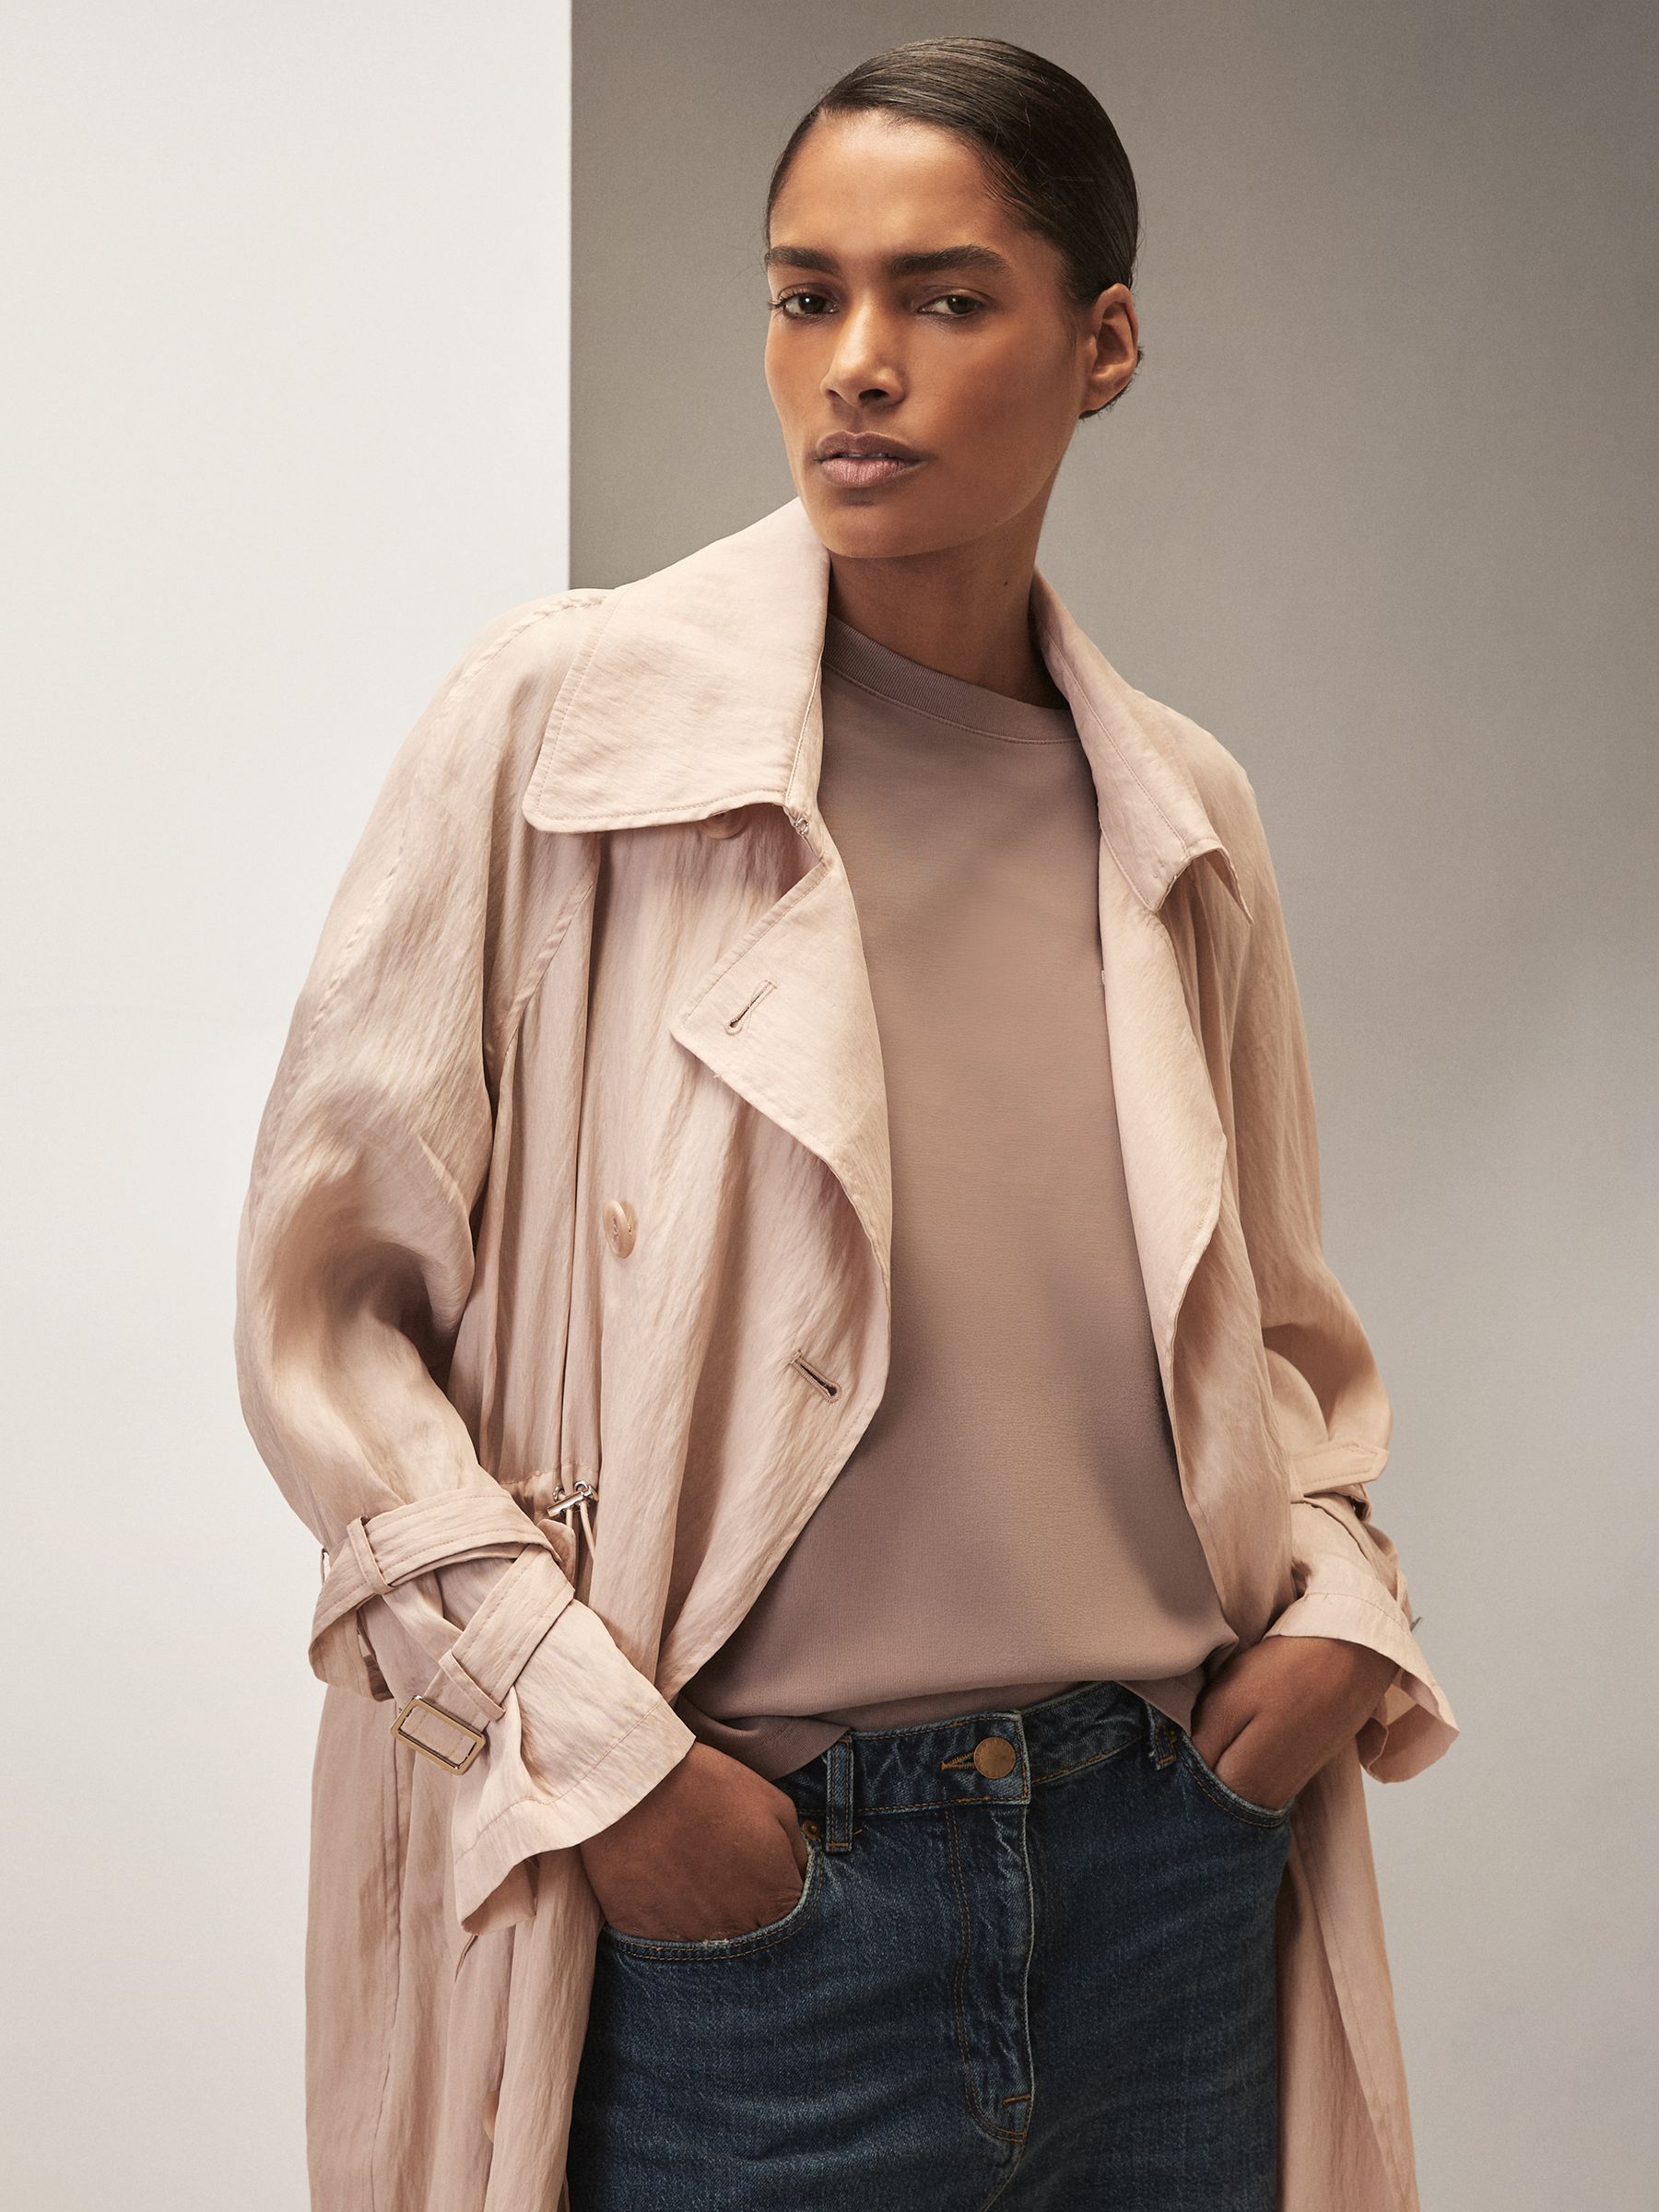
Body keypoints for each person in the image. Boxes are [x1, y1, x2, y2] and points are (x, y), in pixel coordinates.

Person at [234, 36, 1457, 2212]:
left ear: (1103, 346)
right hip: (757, 1904)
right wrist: (600, 1755)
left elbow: (1275, 1334)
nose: (857, 362)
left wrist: (1334, 1609)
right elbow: (324, 1317)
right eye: (808, 295)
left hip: (1167, 1871)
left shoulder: (1182, 809)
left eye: (945, 297)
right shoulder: (563, 730)